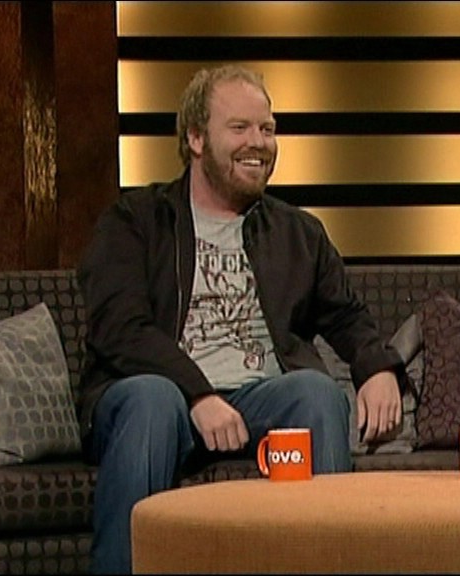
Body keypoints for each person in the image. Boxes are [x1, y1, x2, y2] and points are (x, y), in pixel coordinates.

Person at [76, 64, 406, 574]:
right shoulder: (135, 221)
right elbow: (119, 327)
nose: (259, 142)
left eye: (267, 129)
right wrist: (198, 394)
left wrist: (377, 368)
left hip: (257, 400)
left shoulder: (298, 232)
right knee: (151, 399)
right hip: (158, 400)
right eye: (240, 128)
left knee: (316, 393)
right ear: (195, 139)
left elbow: (345, 314)